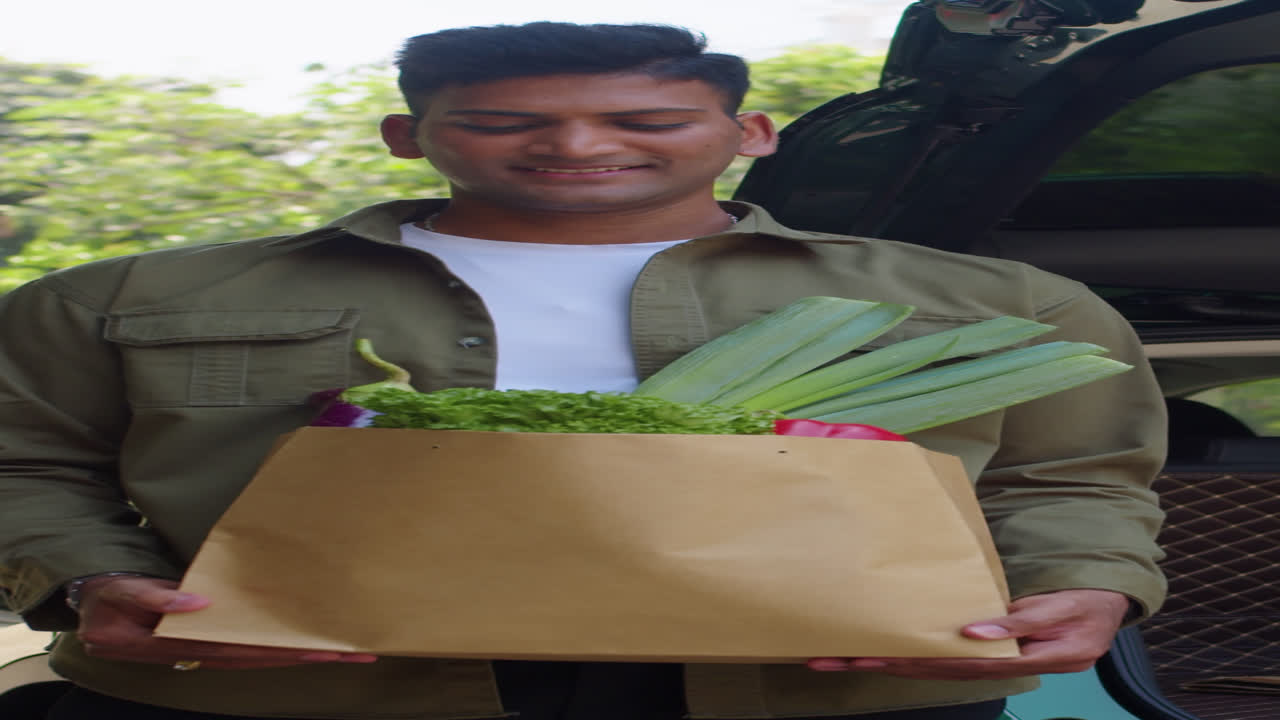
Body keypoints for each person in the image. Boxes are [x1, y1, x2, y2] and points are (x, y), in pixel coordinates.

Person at [0, 21, 1167, 720]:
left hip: (820, 693)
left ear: (749, 131)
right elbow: (27, 464)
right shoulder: (126, 299)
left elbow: (1072, 479)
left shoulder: (994, 306)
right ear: (409, 137)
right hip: (284, 693)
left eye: (640, 118)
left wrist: (1089, 586)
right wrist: (88, 582)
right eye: (505, 122)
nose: (575, 146)